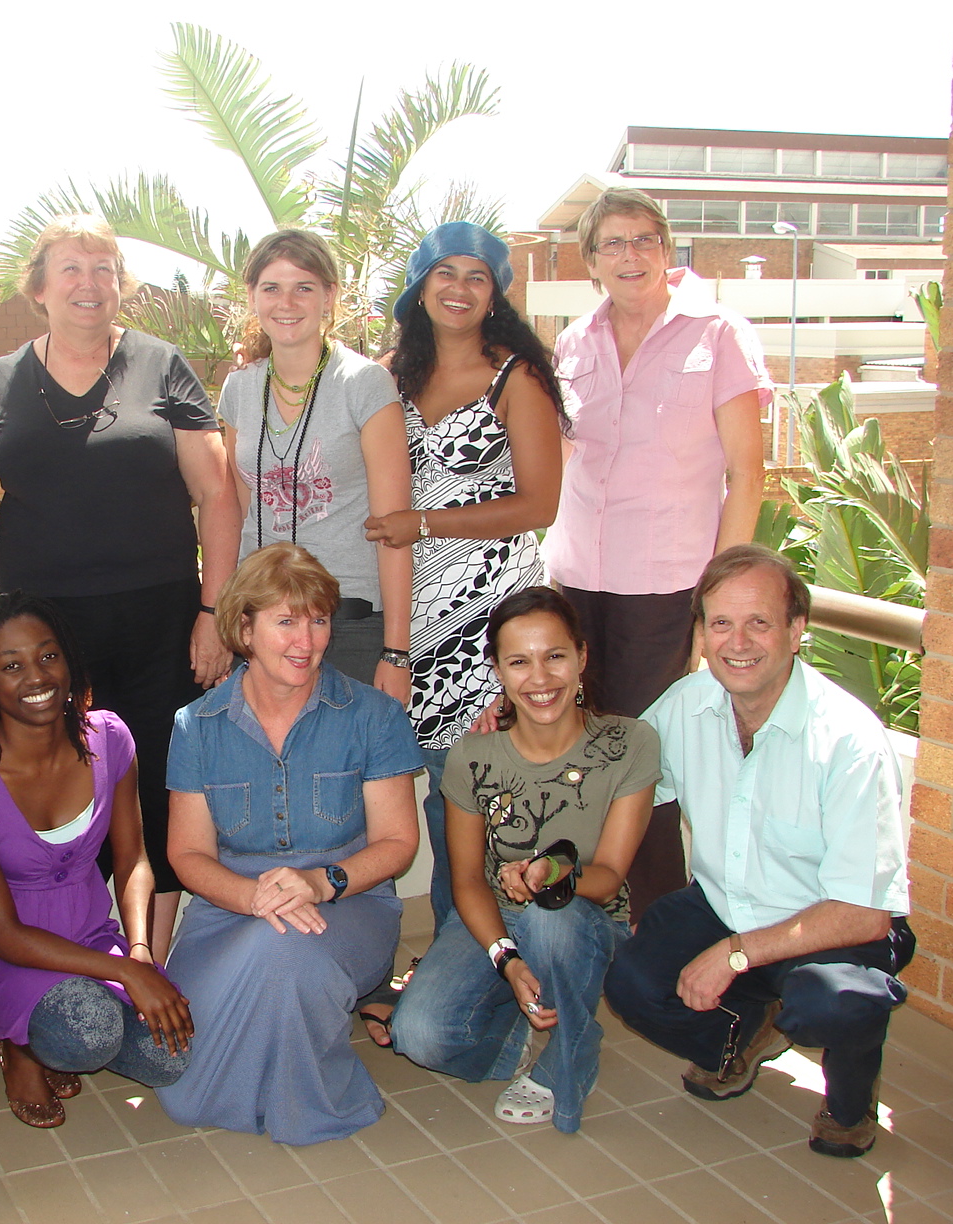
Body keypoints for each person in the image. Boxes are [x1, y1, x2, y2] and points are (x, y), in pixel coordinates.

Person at [0, 215, 240, 961]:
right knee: (56, 796)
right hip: (42, 641)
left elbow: (217, 495)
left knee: (154, 789)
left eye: (104, 268)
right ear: (40, 288)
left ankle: (149, 964)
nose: (89, 284)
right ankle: (75, 961)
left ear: (121, 285)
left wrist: (214, 611)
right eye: (71, 269)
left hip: (158, 626)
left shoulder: (163, 365)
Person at [604, 546, 914, 1159]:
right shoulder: (687, 704)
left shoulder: (848, 742)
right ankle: (743, 1034)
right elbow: (610, 772)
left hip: (834, 928)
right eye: (720, 622)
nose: (737, 641)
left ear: (797, 631)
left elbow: (864, 912)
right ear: (700, 632)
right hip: (729, 904)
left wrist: (735, 955)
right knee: (633, 982)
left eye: (760, 623)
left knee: (833, 1004)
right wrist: (517, 722)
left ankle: (850, 1104)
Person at [542, 188, 770, 918]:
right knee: (581, 754)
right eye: (613, 243)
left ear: (667, 251)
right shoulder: (574, 343)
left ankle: (663, 925)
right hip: (577, 581)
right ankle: (594, 919)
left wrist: (720, 605)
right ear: (591, 261)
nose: (630, 255)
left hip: (666, 591)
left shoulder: (718, 334)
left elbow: (748, 476)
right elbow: (553, 457)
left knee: (646, 758)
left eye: (644, 240)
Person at [155, 544, 421, 1145]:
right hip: (230, 909)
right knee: (183, 1093)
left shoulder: (373, 716)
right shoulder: (195, 726)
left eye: (319, 619)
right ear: (243, 628)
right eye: (286, 621)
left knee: (288, 955)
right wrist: (254, 898)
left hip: (347, 902)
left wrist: (322, 883)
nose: (307, 640)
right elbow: (187, 855)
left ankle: (313, 1101)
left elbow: (398, 842)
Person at [376, 587, 657, 1133]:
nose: (541, 678)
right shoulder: (475, 753)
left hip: (587, 919)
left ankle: (568, 1054)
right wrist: (507, 960)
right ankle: (534, 1029)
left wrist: (549, 876)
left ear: (582, 656)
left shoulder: (629, 743)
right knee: (421, 1037)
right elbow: (467, 883)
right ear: (498, 671)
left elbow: (609, 878)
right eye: (519, 662)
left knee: (555, 919)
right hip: (496, 917)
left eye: (554, 656)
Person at [363, 221, 566, 936]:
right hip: (399, 624)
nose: (458, 288)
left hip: (487, 630)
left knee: (468, 810)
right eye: (443, 273)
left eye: (476, 276)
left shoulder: (517, 376)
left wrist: (425, 523)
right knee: (394, 799)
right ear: (419, 289)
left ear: (496, 294)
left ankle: (475, 962)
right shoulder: (384, 378)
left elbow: (540, 504)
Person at [0, 593, 192, 1129]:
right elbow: (4, 935)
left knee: (171, 1057)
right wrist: (125, 970)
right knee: (88, 1032)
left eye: (48, 656)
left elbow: (133, 859)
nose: (37, 676)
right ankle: (19, 1045)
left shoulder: (109, 737)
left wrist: (141, 950)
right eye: (12, 665)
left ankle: (52, 1030)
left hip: (88, 938)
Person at [220, 229, 412, 701]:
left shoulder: (365, 384)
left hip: (347, 620)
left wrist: (395, 652)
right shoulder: (240, 389)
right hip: (260, 622)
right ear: (252, 297)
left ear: (330, 296)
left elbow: (394, 529)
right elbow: (241, 513)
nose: (286, 302)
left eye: (303, 287)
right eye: (271, 288)